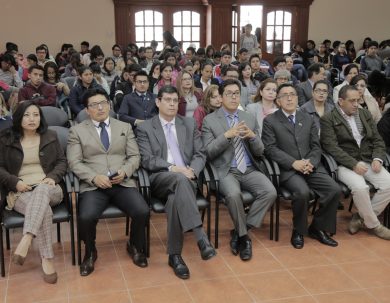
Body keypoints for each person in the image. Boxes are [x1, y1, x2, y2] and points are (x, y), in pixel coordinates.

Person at [67, 88, 149, 276]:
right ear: (87, 110)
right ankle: (90, 252)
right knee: (86, 217)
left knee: (142, 210)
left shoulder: (124, 127)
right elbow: (74, 162)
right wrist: (94, 177)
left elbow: (135, 156)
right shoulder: (77, 131)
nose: (100, 107)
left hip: (121, 182)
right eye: (94, 105)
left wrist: (125, 171)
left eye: (103, 103)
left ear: (109, 105)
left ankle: (135, 246)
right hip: (94, 185)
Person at [136, 85, 216, 279]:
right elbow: (147, 159)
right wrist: (174, 168)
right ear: (158, 102)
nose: (172, 104)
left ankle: (175, 256)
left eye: (175, 101)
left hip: (187, 178)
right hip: (160, 177)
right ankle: (201, 238)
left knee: (174, 200)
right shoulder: (146, 127)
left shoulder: (188, 123)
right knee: (178, 180)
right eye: (167, 100)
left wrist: (193, 170)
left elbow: (200, 153)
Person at [202, 79, 276, 261]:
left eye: (237, 93)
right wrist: (227, 135)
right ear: (221, 96)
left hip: (249, 169)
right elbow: (208, 152)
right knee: (234, 195)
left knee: (270, 192)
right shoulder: (209, 120)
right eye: (229, 93)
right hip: (225, 170)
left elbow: (260, 151)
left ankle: (240, 231)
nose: (234, 97)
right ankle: (245, 239)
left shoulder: (248, 118)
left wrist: (252, 137)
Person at [262, 83, 340, 249]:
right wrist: (293, 163)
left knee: (334, 189)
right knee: (302, 192)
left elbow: (316, 146)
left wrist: (310, 162)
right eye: (284, 95)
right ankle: (299, 230)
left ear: (298, 98)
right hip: (288, 170)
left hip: (311, 166)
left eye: (293, 94)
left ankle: (318, 228)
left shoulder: (307, 118)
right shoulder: (270, 121)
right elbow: (270, 149)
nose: (289, 98)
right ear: (278, 101)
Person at [0, 101, 67, 283]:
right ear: (19, 118)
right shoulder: (5, 139)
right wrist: (15, 182)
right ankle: (47, 258)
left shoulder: (50, 136)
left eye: (36, 115)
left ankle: (27, 238)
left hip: (50, 187)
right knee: (42, 209)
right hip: (21, 192)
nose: (32, 119)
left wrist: (52, 176)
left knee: (43, 190)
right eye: (27, 115)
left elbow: (62, 162)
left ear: (41, 118)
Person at [320, 85, 390, 240]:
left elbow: (378, 140)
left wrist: (378, 158)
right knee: (360, 188)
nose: (356, 104)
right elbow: (331, 147)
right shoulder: (328, 119)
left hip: (368, 159)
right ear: (340, 101)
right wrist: (353, 164)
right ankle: (375, 225)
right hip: (344, 163)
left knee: (389, 184)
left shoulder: (364, 114)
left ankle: (360, 217)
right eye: (351, 101)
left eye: (358, 100)